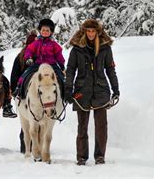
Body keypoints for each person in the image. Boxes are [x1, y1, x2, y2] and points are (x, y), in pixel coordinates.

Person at [65, 18, 119, 166]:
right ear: (84, 31)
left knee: (101, 126)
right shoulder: (77, 49)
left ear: (97, 32)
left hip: (101, 91)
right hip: (82, 91)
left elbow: (110, 69)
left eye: (93, 31)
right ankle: (82, 157)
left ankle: (100, 156)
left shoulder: (105, 48)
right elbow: (70, 70)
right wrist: (68, 89)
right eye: (88, 31)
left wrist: (116, 89)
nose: (90, 33)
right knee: (82, 126)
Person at [13, 18, 65, 99]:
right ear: (40, 31)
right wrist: (28, 58)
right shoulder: (36, 42)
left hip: (52, 64)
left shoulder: (54, 44)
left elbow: (59, 55)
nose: (45, 32)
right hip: (38, 64)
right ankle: (19, 88)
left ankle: (65, 92)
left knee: (61, 77)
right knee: (25, 74)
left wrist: (61, 64)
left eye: (47, 30)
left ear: (51, 32)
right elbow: (29, 50)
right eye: (43, 30)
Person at [9, 30, 38, 153]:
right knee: (25, 121)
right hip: (23, 92)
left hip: (38, 93)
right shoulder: (20, 57)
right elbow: (14, 75)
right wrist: (16, 89)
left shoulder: (41, 56)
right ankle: (24, 145)